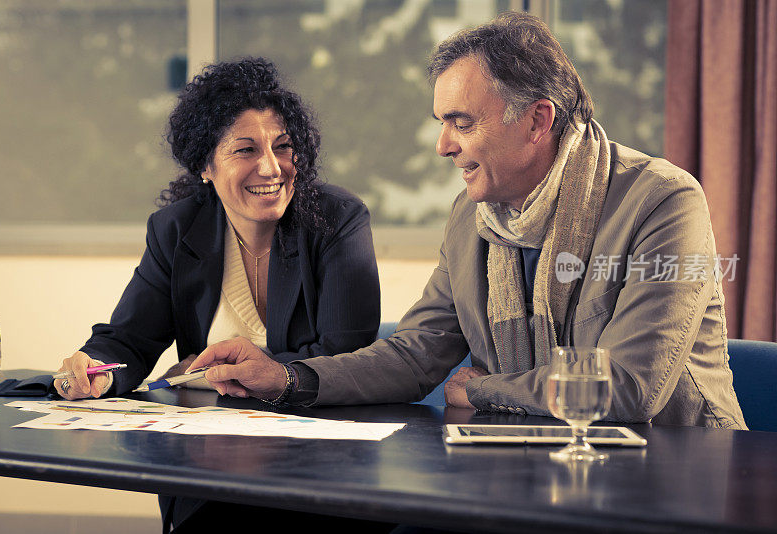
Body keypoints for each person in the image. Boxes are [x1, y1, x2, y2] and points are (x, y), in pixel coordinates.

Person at [190, 13, 746, 430]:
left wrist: (488, 391)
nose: (443, 146)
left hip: (673, 477)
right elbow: (416, 353)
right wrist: (284, 378)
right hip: (521, 468)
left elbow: (626, 388)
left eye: (462, 122)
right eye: (442, 122)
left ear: (537, 120)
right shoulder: (470, 216)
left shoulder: (664, 202)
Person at [53, 58, 383, 530]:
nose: (271, 167)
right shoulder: (175, 229)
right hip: (211, 456)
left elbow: (346, 356)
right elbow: (129, 340)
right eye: (245, 149)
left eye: (284, 147)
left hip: (320, 458)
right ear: (205, 165)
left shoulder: (338, 219)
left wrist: (215, 374)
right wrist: (96, 371)